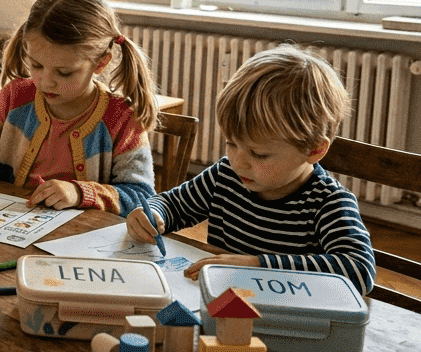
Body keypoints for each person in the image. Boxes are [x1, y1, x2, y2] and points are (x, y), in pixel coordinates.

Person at [126, 44, 376, 294]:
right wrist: (153, 214)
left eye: (259, 154)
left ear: (314, 150)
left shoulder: (329, 202)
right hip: (226, 304)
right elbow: (174, 205)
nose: (238, 162)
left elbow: (359, 271)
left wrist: (257, 266)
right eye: (231, 143)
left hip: (286, 313)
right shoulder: (225, 176)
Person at [0, 0, 159, 216]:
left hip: (80, 235)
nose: (46, 82)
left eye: (64, 72)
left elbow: (141, 196)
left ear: (100, 63)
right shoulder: (15, 98)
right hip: (8, 226)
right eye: (37, 65)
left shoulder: (121, 119)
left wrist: (80, 193)